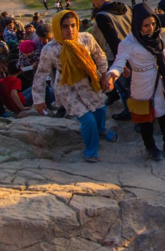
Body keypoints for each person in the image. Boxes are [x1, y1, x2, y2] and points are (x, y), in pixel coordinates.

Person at [104, 4, 165, 161]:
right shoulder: (128, 43)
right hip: (141, 83)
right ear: (137, 25)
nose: (151, 28)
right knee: (145, 117)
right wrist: (112, 74)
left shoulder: (155, 37)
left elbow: (160, 52)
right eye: (146, 25)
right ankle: (151, 147)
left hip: (160, 81)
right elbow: (119, 62)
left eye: (153, 24)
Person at [31, 10, 114, 163]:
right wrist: (38, 100)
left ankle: (101, 130)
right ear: (57, 28)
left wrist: (104, 76)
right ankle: (91, 149)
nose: (70, 30)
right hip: (67, 87)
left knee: (100, 109)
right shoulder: (50, 49)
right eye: (64, 26)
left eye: (73, 25)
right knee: (87, 120)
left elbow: (99, 55)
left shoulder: (86, 38)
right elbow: (40, 75)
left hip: (89, 81)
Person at [86, 0, 132, 119]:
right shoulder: (126, 8)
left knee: (124, 88)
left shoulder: (102, 16)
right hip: (135, 50)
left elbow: (113, 40)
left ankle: (130, 113)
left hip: (118, 56)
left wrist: (121, 64)